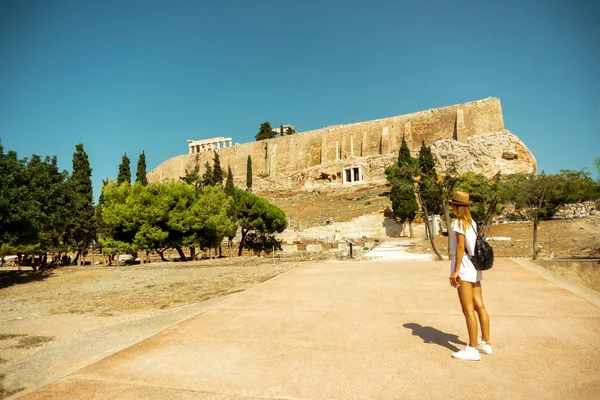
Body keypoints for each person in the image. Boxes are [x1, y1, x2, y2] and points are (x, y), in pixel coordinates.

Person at [448, 191, 492, 361]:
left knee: (467, 309)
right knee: (479, 305)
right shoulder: (472, 222)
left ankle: (472, 348)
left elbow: (460, 247)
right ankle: (485, 343)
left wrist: (456, 270)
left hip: (464, 266)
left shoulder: (458, 223)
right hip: (474, 265)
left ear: (455, 206)